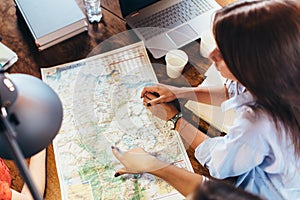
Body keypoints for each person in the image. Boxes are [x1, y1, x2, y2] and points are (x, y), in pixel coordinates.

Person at [112, 0, 300, 199]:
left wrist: (174, 121)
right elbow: (234, 91)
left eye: (223, 53)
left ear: (250, 65)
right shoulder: (281, 72)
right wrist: (180, 92)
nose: (211, 55)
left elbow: (217, 169)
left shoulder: (258, 125)